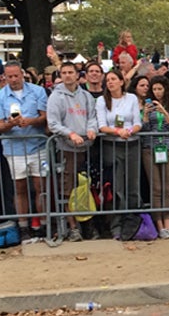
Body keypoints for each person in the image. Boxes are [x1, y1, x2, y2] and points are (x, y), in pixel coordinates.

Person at [0, 61, 49, 237]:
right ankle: (23, 226)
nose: (14, 79)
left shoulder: (38, 91)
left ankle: (43, 224)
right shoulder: (0, 97)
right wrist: (11, 123)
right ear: (4, 77)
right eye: (10, 76)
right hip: (14, 148)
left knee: (41, 187)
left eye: (16, 75)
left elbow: (45, 116)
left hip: (37, 145)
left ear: (22, 74)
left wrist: (30, 121)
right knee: (20, 188)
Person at [46, 61, 98, 242]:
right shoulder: (56, 97)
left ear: (77, 75)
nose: (68, 75)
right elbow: (53, 123)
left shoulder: (86, 96)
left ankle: (89, 225)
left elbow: (92, 117)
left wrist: (92, 130)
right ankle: (73, 226)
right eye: (64, 72)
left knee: (86, 188)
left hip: (86, 147)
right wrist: (71, 134)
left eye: (71, 72)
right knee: (67, 190)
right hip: (67, 148)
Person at [95, 70, 141, 240]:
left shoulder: (132, 99)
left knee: (133, 185)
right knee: (116, 187)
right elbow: (102, 125)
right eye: (108, 80)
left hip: (132, 144)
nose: (110, 82)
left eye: (114, 79)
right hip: (112, 145)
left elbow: (137, 122)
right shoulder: (101, 101)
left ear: (122, 81)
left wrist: (129, 131)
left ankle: (132, 222)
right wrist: (117, 131)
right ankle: (116, 225)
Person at [141, 76, 169, 238]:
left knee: (167, 187)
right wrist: (145, 115)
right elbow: (143, 129)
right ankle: (159, 226)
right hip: (150, 148)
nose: (157, 92)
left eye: (160, 89)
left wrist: (163, 111)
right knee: (156, 188)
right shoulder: (147, 105)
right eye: (155, 89)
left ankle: (168, 223)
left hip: (168, 147)